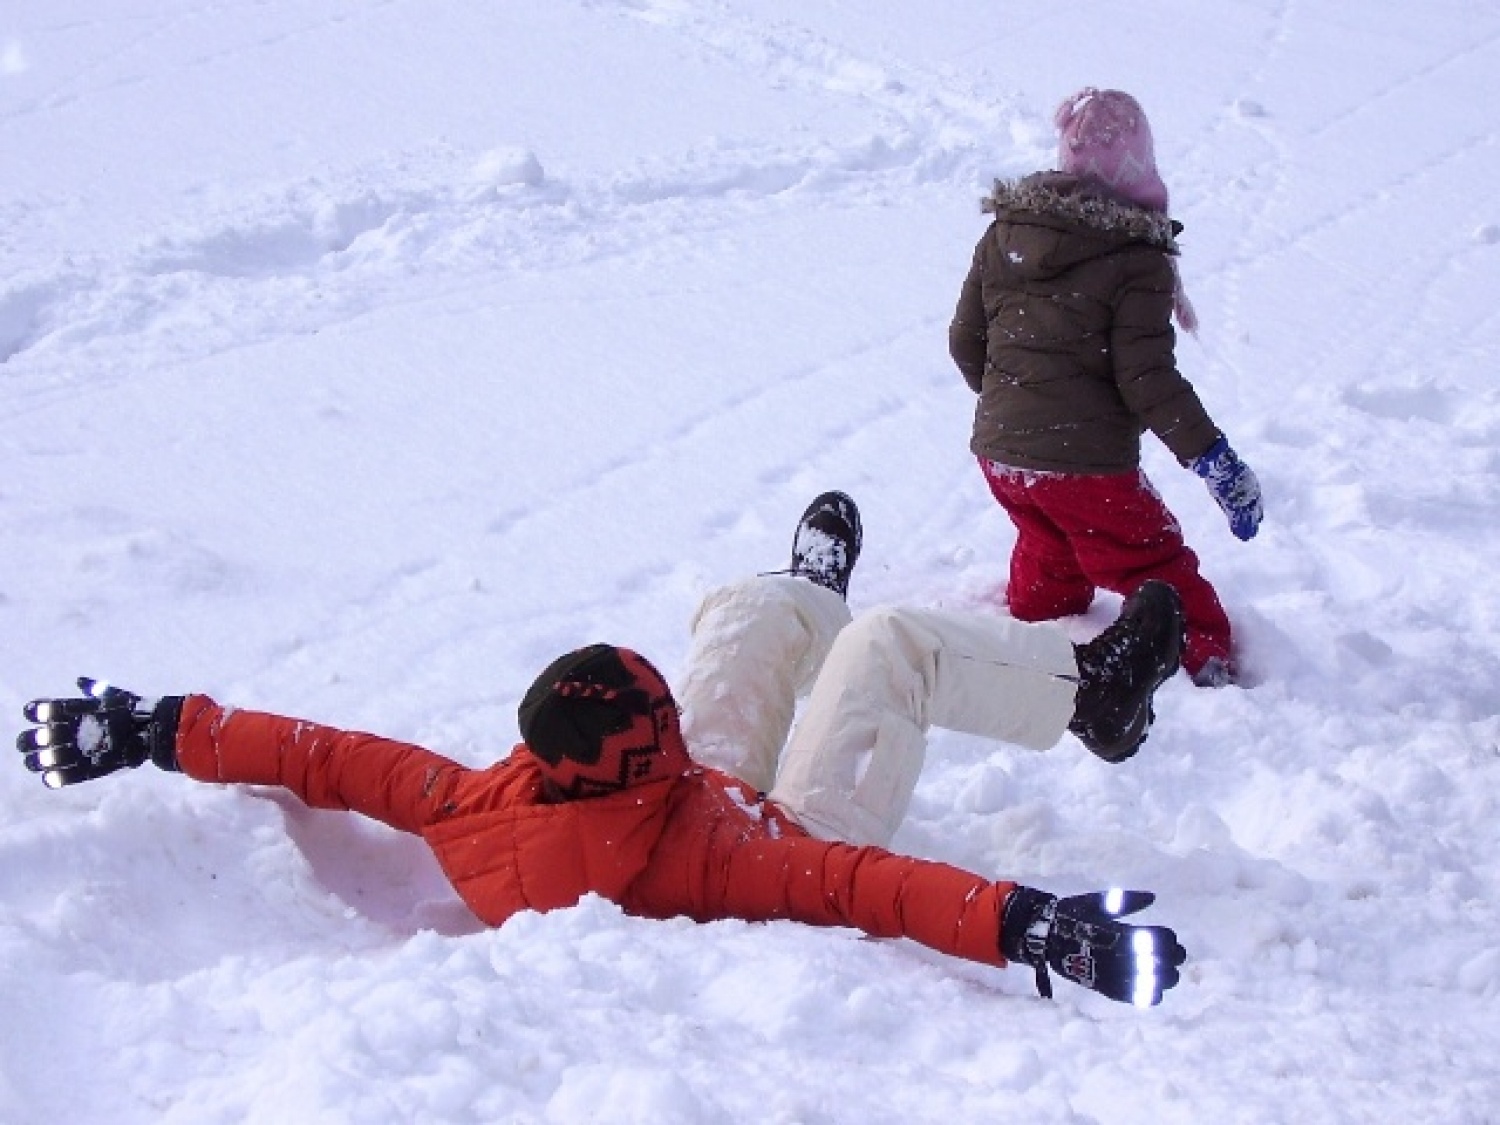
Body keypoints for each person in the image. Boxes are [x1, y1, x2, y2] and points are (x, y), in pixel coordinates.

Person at [15, 493, 1188, 1006]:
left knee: (750, 615)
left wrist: (157, 730)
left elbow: (327, 754)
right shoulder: (722, 865)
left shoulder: (481, 798)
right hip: (784, 823)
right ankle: (1090, 697)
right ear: (636, 759)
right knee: (892, 649)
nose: (673, 721)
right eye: (661, 724)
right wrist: (1023, 921)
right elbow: (861, 883)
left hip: (695, 798)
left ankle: (800, 603)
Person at [949, 87, 1263, 687]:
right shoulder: (1136, 257)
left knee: (1050, 543)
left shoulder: (1008, 234)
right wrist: (1213, 458)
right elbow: (1149, 379)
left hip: (999, 454)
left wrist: (1015, 409)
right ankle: (1203, 660)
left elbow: (966, 341)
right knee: (1149, 555)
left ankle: (1043, 620)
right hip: (1084, 464)